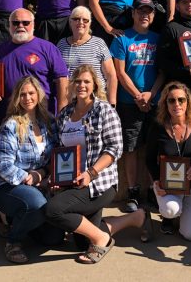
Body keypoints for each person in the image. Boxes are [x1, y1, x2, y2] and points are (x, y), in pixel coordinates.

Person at [46, 65, 152, 264]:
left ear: (95, 84)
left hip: (98, 183)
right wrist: (56, 176)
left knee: (53, 210)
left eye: (86, 81)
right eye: (78, 81)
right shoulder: (64, 114)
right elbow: (60, 149)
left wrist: (90, 173)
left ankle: (101, 238)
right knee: (80, 242)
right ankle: (137, 218)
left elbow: (115, 148)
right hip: (72, 182)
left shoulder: (104, 110)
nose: (82, 85)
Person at [0, 76, 63, 263]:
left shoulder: (50, 122)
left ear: (39, 94)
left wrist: (43, 174)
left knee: (53, 238)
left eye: (31, 93)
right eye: (22, 94)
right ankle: (13, 241)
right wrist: (29, 179)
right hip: (6, 185)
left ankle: (14, 220)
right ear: (17, 98)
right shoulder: (11, 125)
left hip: (38, 184)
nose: (27, 98)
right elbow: (3, 166)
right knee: (37, 203)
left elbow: (56, 156)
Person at [111, 0, 166, 212]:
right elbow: (119, 72)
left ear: (153, 16)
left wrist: (150, 96)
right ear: (133, 13)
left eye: (148, 12)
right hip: (129, 102)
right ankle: (133, 190)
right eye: (140, 11)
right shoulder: (122, 38)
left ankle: (154, 188)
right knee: (131, 148)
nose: (144, 15)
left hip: (154, 101)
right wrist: (137, 96)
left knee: (154, 146)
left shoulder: (158, 38)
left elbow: (162, 72)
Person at [147, 82, 191, 239]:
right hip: (169, 185)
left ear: (188, 102)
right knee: (171, 210)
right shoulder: (157, 127)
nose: (176, 104)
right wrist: (157, 181)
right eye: (171, 100)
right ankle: (169, 217)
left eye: (181, 100)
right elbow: (150, 159)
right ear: (165, 103)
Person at [0, 8, 69, 115]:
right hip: (11, 115)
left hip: (42, 114)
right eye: (15, 23)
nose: (20, 26)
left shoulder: (47, 48)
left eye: (25, 23)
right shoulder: (0, 50)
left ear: (33, 25)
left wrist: (62, 110)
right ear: (9, 25)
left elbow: (62, 79)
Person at [57, 6, 117, 104]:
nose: (81, 22)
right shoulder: (61, 44)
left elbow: (111, 75)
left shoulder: (99, 43)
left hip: (95, 100)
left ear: (90, 23)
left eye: (85, 20)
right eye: (76, 19)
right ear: (70, 22)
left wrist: (112, 103)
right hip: (70, 102)